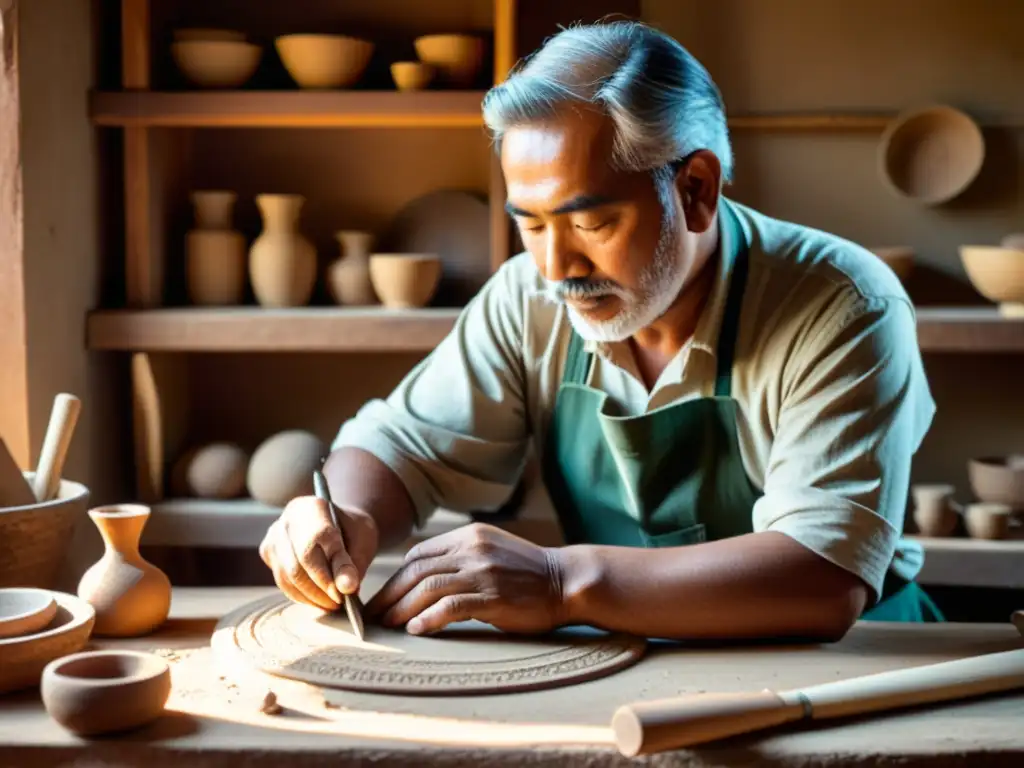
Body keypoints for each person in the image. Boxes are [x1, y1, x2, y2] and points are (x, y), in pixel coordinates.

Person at [259, 21, 941, 641]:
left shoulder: (845, 305)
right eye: (531, 224)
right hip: (634, 653)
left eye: (591, 224)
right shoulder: (528, 297)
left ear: (696, 189)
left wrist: (561, 583)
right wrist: (348, 515)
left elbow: (820, 579)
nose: (557, 267)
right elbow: (403, 448)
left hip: (852, 662)